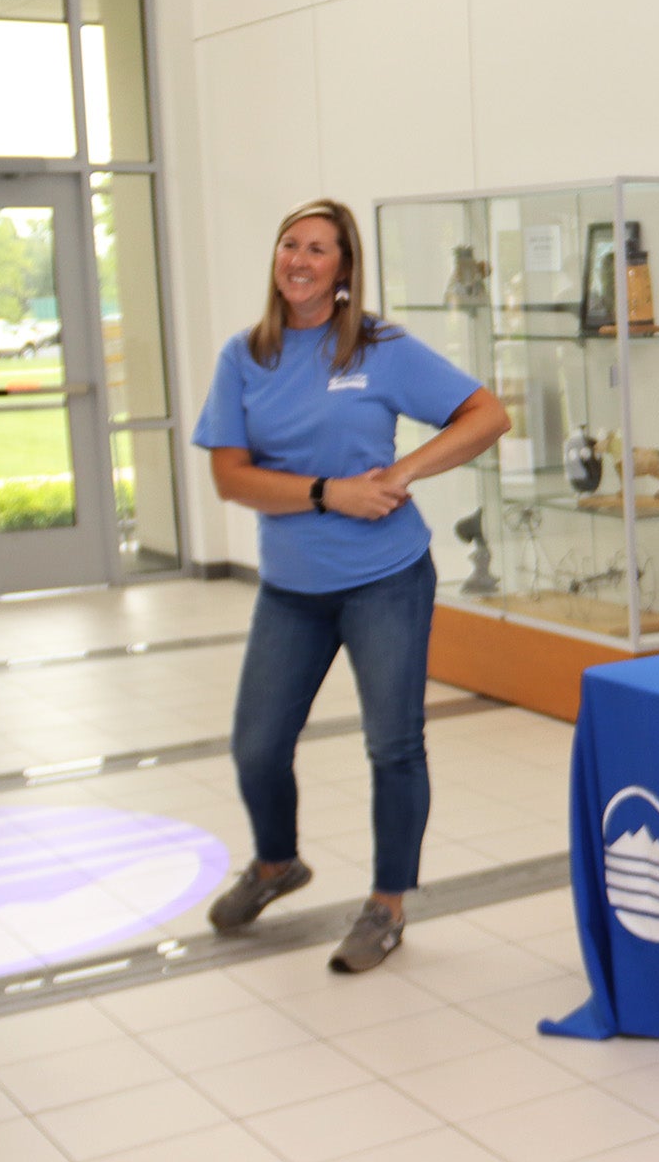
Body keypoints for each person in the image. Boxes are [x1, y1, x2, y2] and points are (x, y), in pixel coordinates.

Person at [195, 199, 508, 972]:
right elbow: (231, 477)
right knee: (257, 747)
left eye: (317, 249)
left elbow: (486, 414)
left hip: (386, 580)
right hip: (292, 589)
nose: (298, 259)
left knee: (393, 745)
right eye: (288, 244)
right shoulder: (246, 355)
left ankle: (387, 905)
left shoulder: (379, 348)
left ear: (343, 269)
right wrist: (326, 492)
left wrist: (401, 472)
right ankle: (277, 863)